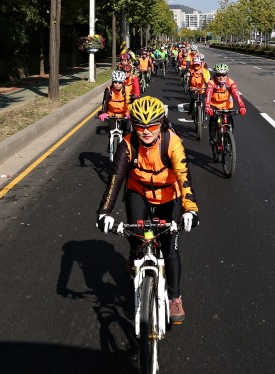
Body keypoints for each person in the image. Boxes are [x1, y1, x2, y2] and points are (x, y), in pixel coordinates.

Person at [96, 96, 200, 323]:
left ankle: (174, 298)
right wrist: (104, 212)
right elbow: (115, 180)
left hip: (168, 195)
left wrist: (190, 210)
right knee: (135, 234)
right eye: (140, 126)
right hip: (138, 192)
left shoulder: (172, 143)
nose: (146, 132)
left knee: (170, 248)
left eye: (152, 126)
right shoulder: (127, 143)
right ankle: (135, 255)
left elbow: (184, 177)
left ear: (161, 123)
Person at [205, 63, 247, 145]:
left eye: (223, 75)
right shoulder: (211, 83)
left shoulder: (231, 82)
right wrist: (207, 107)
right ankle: (212, 138)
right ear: (215, 74)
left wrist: (242, 106)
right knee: (213, 119)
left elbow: (236, 95)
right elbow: (208, 95)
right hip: (214, 104)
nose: (221, 77)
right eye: (218, 75)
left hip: (226, 104)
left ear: (226, 74)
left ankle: (229, 138)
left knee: (230, 122)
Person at [98, 70, 132, 135]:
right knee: (112, 130)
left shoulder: (126, 89)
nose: (117, 84)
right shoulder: (109, 90)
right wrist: (103, 113)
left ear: (123, 83)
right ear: (112, 82)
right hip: (111, 114)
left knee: (126, 131)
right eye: (115, 82)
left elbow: (128, 101)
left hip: (124, 113)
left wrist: (129, 113)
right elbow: (105, 102)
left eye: (119, 82)